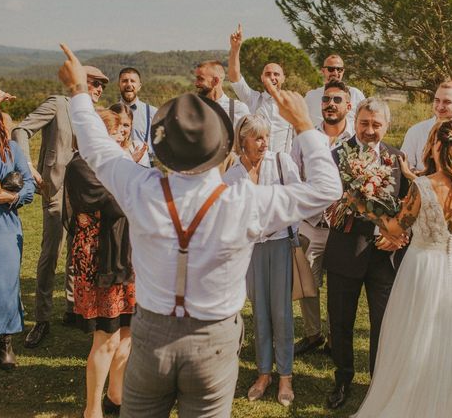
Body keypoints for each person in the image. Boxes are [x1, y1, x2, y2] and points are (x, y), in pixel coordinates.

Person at [57, 43, 342, 418]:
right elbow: (326, 189)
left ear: (165, 151)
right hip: (214, 341)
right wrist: (304, 125)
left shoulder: (140, 189)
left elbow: (96, 147)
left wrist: (79, 92)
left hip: (152, 335)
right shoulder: (244, 202)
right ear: (225, 149)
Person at [349, 119, 452, 417]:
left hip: (423, 267)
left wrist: (364, 207)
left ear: (438, 146)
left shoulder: (423, 186)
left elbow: (396, 229)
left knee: (414, 337)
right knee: (448, 341)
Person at [13, 65, 109, 348]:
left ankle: (72, 308)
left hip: (85, 193)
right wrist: (28, 165)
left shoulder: (95, 116)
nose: (99, 88)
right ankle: (42, 319)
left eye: (102, 85)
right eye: (94, 82)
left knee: (78, 251)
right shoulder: (58, 104)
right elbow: (20, 129)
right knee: (51, 252)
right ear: (80, 81)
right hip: (55, 189)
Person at [323, 98, 409, 410]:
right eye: (364, 123)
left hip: (384, 258)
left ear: (387, 126)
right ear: (354, 121)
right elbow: (328, 203)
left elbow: (406, 206)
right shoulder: (335, 157)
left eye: (376, 124)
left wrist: (399, 232)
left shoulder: (397, 158)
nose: (369, 130)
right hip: (346, 252)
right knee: (341, 322)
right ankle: (343, 378)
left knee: (383, 323)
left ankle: (379, 383)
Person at [223, 114, 299, 407]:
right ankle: (264, 373)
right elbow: (227, 218)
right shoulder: (231, 176)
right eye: (257, 137)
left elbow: (297, 199)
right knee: (260, 312)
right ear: (242, 141)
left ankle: (286, 376)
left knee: (281, 313)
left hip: (280, 244)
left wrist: (276, 219)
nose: (264, 142)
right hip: (249, 250)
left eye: (266, 136)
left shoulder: (280, 162)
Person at [64, 110, 135, 418]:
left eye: (123, 129)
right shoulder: (79, 165)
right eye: (114, 129)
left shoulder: (117, 163)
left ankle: (116, 396)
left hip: (128, 257)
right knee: (105, 337)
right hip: (100, 263)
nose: (121, 133)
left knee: (128, 332)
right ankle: (92, 410)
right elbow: (116, 202)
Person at [291, 80, 355, 356]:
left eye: (337, 100)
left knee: (339, 285)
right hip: (310, 223)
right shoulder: (305, 137)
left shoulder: (355, 140)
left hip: (343, 225)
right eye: (327, 99)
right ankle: (313, 333)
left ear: (348, 106)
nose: (331, 104)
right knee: (308, 283)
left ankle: (334, 337)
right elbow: (294, 175)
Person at [0, 101, 35, 370]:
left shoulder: (11, 149)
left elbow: (29, 184)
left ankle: (5, 341)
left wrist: (14, 195)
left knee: (5, 282)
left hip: (3, 223)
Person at [228, 24, 294, 153]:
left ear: (283, 78)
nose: (272, 77)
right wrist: (235, 49)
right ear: (262, 78)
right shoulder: (252, 99)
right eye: (268, 74)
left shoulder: (292, 105)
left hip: (283, 166)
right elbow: (234, 77)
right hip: (257, 164)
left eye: (276, 74)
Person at [401, 79, 452, 172]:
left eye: (447, 102)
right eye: (437, 100)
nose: (440, 106)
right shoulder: (415, 131)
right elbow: (406, 165)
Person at [303, 54, 365, 125]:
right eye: (331, 69)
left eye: (339, 69)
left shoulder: (356, 94)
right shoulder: (311, 96)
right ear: (323, 71)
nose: (335, 73)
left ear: (343, 71)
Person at [117, 67, 156, 167]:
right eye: (125, 81)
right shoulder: (109, 112)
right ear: (119, 85)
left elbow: (161, 145)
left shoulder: (153, 113)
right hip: (118, 168)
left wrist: (147, 149)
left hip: (145, 170)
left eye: (133, 81)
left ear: (139, 86)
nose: (129, 84)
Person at [194, 60, 249, 128]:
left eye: (201, 79)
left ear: (216, 81)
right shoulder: (191, 109)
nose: (196, 83)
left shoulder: (238, 109)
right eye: (196, 79)